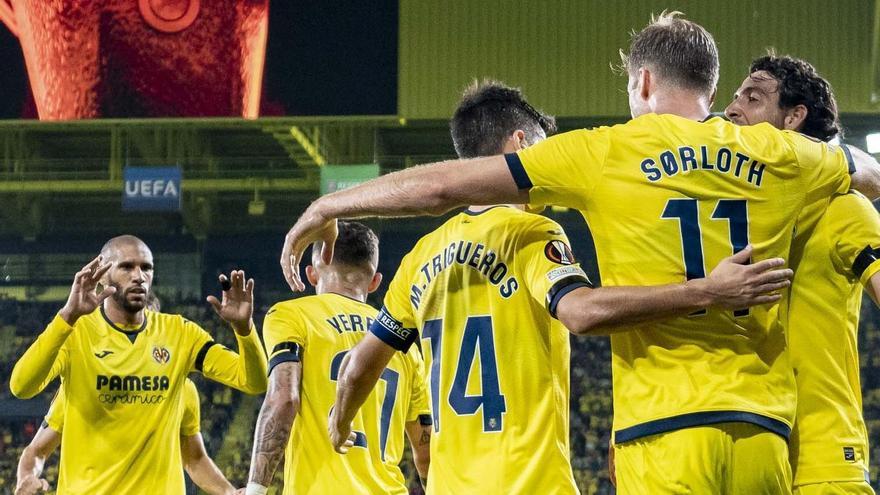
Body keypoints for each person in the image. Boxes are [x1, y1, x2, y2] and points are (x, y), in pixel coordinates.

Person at [281, 12, 880, 494]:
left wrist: (332, 204)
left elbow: (443, 188)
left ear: (643, 82)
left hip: (661, 431)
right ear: (710, 85)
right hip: (763, 434)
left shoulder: (605, 151)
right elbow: (867, 170)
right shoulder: (784, 156)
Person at [328, 80, 796, 494]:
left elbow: (357, 368)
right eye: (540, 149)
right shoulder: (531, 233)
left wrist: (340, 422)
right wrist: (704, 291)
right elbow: (582, 313)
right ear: (518, 144)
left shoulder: (419, 259)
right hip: (532, 483)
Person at [726, 54, 880, 495]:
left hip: (821, 459)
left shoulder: (842, 207)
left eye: (752, 98)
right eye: (734, 97)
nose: (732, 108)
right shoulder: (722, 217)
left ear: (794, 118)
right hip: (738, 454)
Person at [9, 235, 268, 494]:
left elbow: (253, 382)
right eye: (126, 267)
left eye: (146, 267)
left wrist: (244, 330)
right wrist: (66, 317)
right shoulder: (76, 335)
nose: (139, 276)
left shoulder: (181, 335)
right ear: (102, 275)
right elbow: (21, 387)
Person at [244, 221, 430, 495]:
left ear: (311, 274)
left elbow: (284, 399)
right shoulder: (403, 342)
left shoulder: (290, 315)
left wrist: (255, 490)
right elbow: (425, 451)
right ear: (375, 281)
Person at [15, 380, 236, 495]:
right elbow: (36, 451)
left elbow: (194, 459)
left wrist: (229, 491)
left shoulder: (183, 388)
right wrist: (26, 477)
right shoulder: (82, 383)